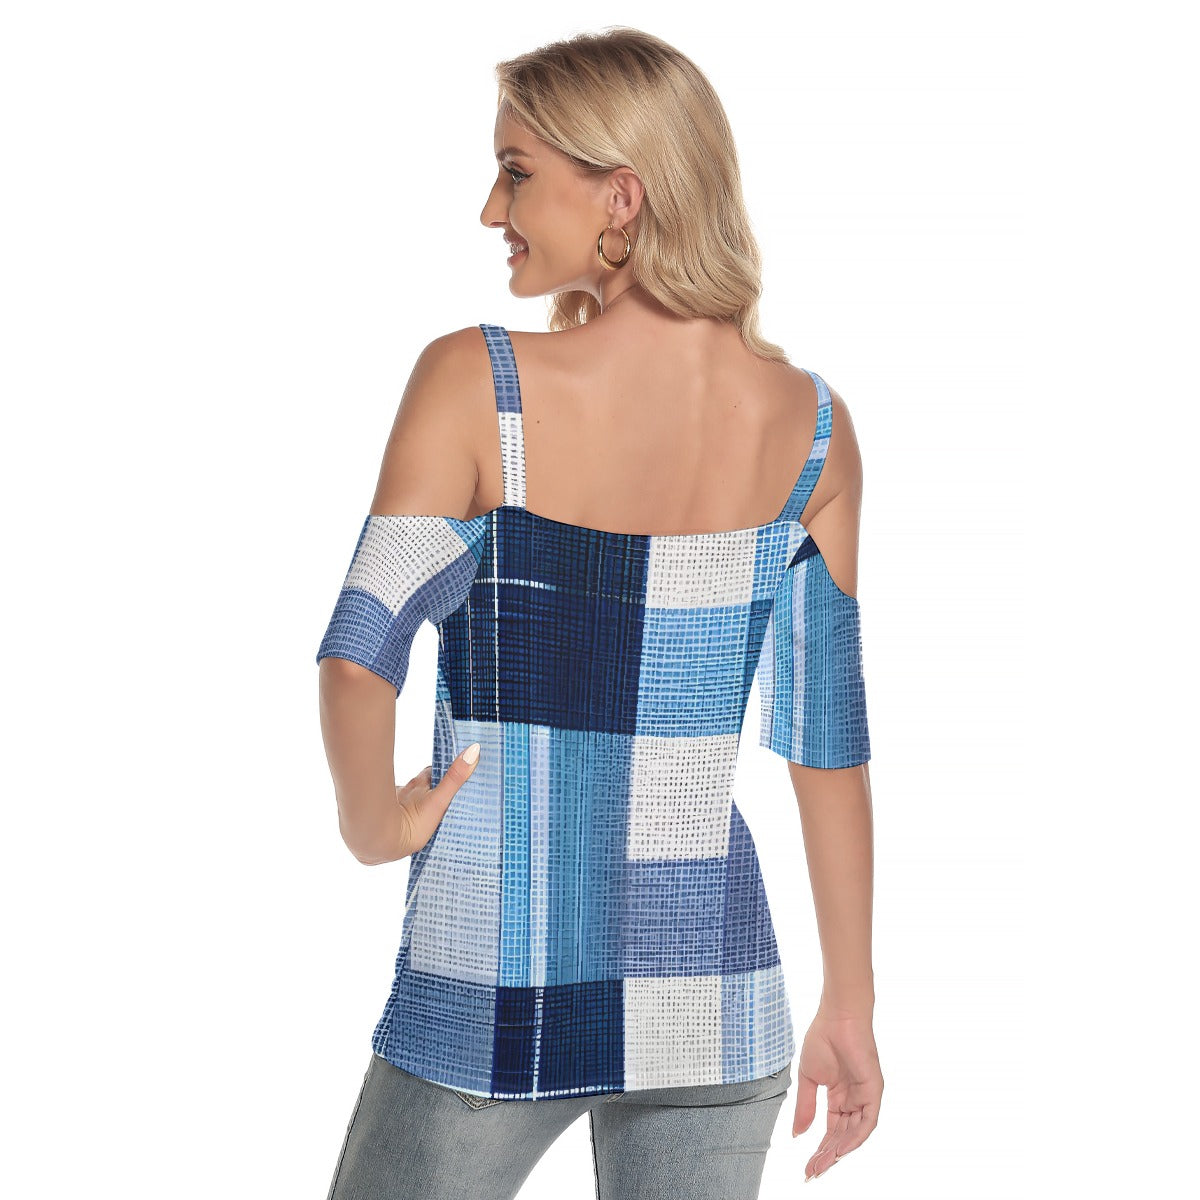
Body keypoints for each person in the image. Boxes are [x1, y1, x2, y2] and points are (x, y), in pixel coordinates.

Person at [315, 26, 883, 1200]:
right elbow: (826, 746)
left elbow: (360, 655)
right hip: (714, 1000)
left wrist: (373, 824)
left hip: (494, 984)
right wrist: (851, 1003)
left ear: (621, 196)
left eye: (517, 171)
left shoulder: (479, 384)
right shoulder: (815, 433)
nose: (492, 207)